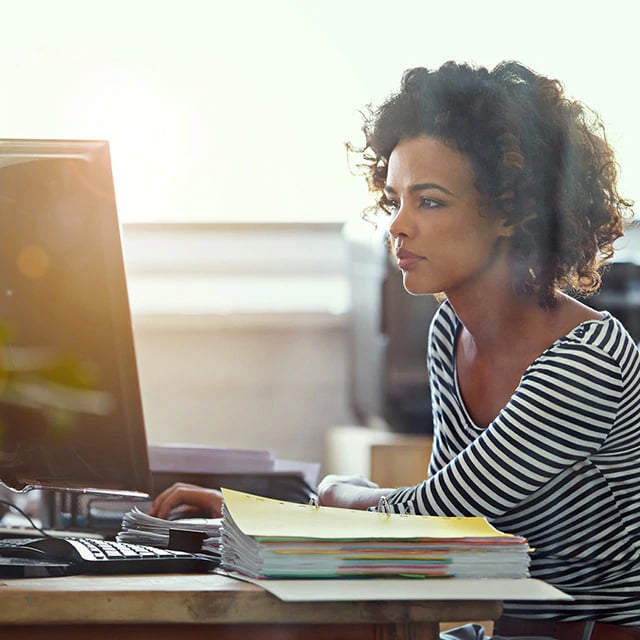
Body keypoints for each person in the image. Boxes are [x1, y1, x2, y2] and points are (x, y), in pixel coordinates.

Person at [151, 60, 640, 638]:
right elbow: (428, 541)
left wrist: (302, 502)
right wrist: (265, 517)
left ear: (513, 212)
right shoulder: (449, 333)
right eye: (395, 201)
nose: (397, 228)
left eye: (429, 202)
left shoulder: (588, 360)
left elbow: (435, 519)